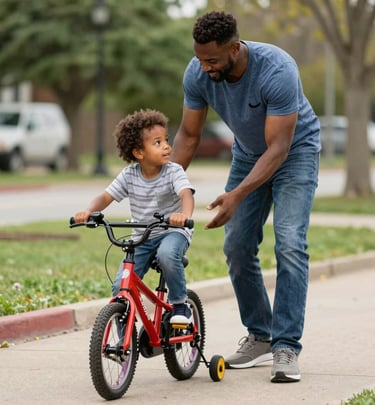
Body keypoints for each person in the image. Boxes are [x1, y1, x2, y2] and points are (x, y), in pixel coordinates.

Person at [171, 11, 320, 382]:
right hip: (247, 155)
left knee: (288, 243)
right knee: (236, 246)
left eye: (213, 60)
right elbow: (189, 135)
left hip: (295, 153)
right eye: (200, 58)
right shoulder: (197, 72)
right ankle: (260, 336)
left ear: (235, 49)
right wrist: (167, 186)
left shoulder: (277, 69)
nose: (205, 68)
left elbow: (279, 147)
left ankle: (286, 345)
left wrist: (236, 194)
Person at [74, 109, 195, 324]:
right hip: (143, 236)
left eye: (166, 140)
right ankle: (124, 341)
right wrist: (88, 212)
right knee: (120, 284)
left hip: (173, 232)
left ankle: (180, 305)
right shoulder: (129, 175)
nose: (167, 146)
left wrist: (184, 215)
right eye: (158, 143)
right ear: (139, 153)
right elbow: (105, 197)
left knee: (167, 255)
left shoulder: (174, 171)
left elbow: (186, 194)